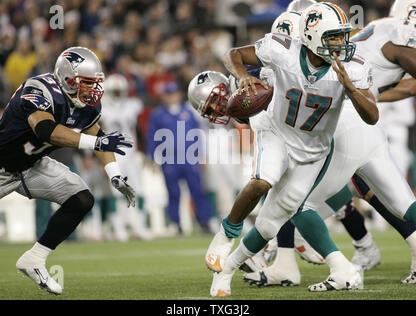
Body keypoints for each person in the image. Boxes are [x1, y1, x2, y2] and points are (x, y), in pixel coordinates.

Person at [207, 2, 379, 296]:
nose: (342, 43)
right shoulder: (282, 49)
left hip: (314, 151)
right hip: (277, 132)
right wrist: (245, 75)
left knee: (269, 224)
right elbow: (233, 54)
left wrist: (350, 88)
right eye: (334, 36)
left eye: (342, 35)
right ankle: (226, 232)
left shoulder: (352, 67)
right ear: (312, 36)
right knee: (262, 181)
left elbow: (372, 116)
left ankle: (226, 271)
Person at [242, 0, 416, 288]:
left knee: (297, 198)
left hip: (348, 124)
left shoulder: (386, 31)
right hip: (362, 125)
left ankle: (339, 267)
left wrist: (366, 97)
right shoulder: (387, 33)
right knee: (400, 200)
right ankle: (290, 257)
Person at [0, 46, 135, 295]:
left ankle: (35, 259)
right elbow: (45, 130)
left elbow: (98, 136)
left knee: (81, 199)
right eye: (86, 83)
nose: (92, 90)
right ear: (67, 79)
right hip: (2, 164)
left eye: (95, 83)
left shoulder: (86, 105)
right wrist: (94, 143)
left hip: (31, 165)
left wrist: (115, 173)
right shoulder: (39, 88)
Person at [147, 80, 215, 235]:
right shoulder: (158, 115)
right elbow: (152, 138)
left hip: (189, 158)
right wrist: (153, 158)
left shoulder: (188, 112)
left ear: (178, 94)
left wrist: (202, 155)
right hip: (169, 159)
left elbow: (197, 135)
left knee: (197, 190)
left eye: (173, 93)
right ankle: (177, 224)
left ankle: (204, 222)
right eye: (168, 94)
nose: (171, 97)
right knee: (174, 193)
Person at [100, 73, 153, 241]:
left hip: (131, 153)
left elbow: (138, 129)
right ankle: (119, 228)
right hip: (112, 154)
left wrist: (143, 151)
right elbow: (98, 133)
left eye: (119, 91)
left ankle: (140, 226)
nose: (117, 94)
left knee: (139, 189)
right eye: (114, 91)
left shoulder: (133, 105)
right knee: (115, 192)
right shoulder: (102, 108)